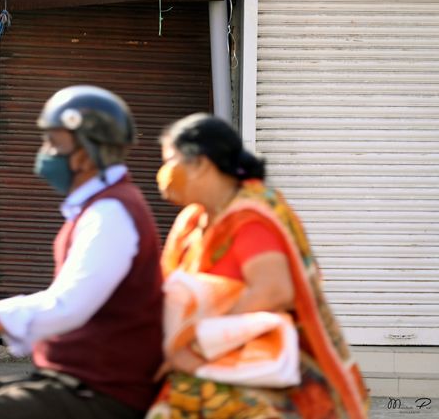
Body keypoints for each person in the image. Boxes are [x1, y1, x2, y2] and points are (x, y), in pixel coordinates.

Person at [0, 85, 164, 419]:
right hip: (77, 379)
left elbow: (65, 308)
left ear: (86, 150)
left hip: (105, 391)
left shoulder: (110, 213)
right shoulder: (98, 207)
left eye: (55, 141)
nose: (45, 151)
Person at [149, 113, 369, 419]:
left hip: (260, 376)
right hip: (208, 369)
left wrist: (199, 345)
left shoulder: (251, 216)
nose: (162, 174)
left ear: (200, 163)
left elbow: (274, 290)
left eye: (169, 161)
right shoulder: (194, 220)